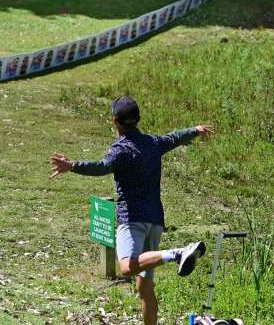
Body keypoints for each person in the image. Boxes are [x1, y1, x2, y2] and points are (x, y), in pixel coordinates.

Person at [50, 96, 211, 325]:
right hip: (155, 220)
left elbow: (103, 166)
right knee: (144, 288)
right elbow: (174, 138)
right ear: (137, 120)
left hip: (132, 218)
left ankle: (176, 253)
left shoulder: (121, 149)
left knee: (126, 267)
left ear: (114, 121)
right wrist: (194, 129)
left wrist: (73, 165)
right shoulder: (152, 142)